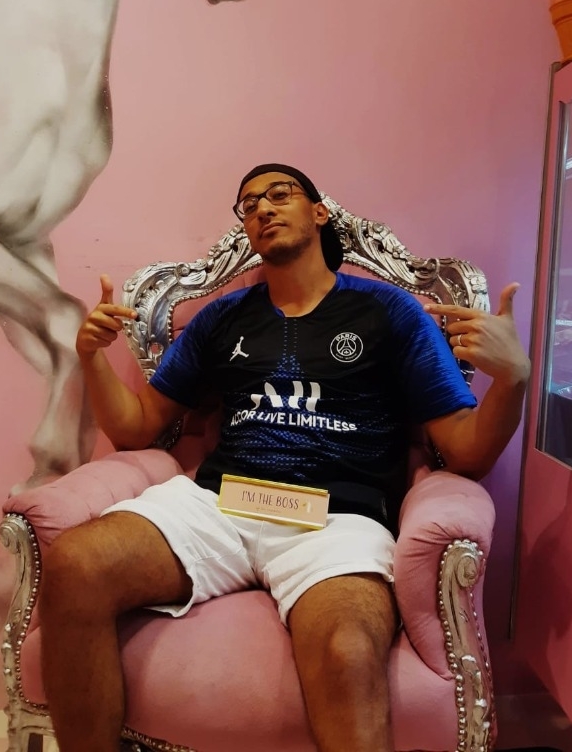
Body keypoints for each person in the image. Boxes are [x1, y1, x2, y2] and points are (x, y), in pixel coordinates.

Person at [39, 164, 531, 752]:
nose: (263, 209)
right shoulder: (221, 318)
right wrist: (92, 357)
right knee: (75, 564)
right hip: (218, 504)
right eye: (249, 205)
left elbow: (467, 453)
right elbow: (136, 428)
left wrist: (513, 380)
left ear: (319, 212)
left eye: (279, 194)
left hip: (337, 519)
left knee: (348, 649)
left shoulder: (391, 313)